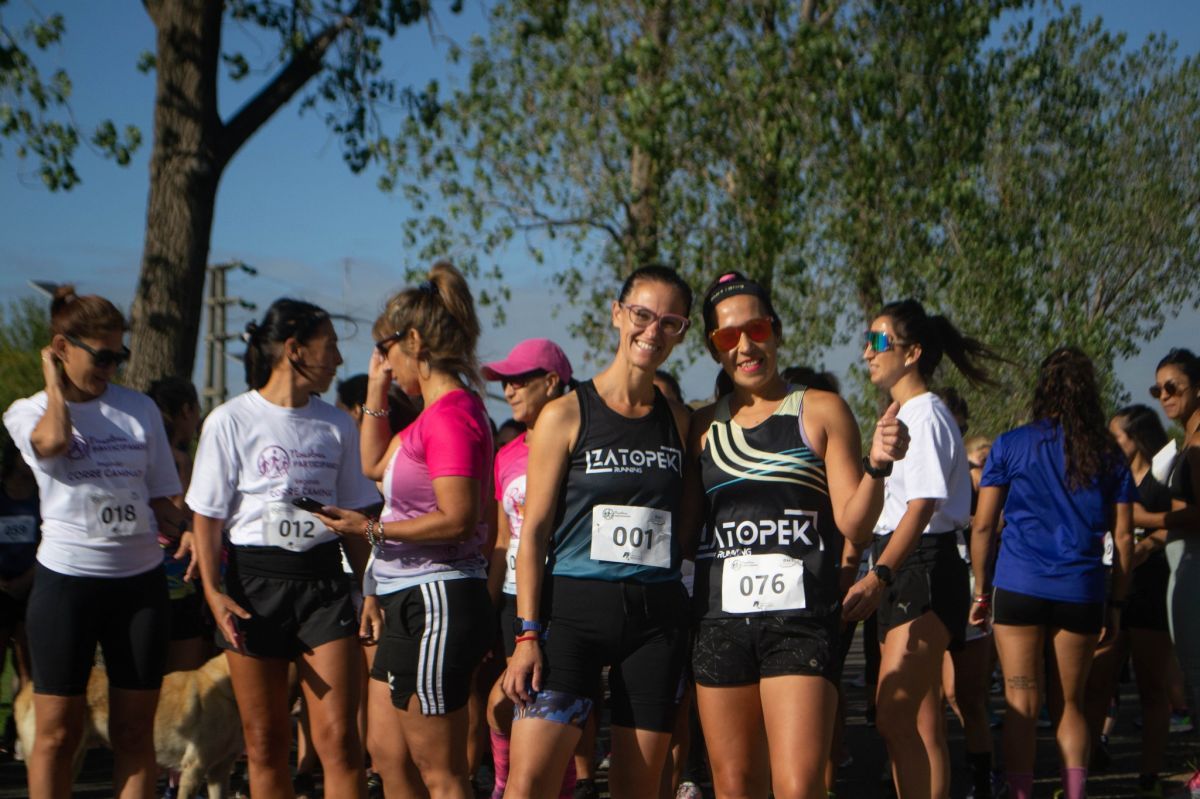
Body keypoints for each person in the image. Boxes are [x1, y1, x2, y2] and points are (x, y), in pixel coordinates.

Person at [687, 272, 908, 799]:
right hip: (720, 624)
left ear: (777, 331)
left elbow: (855, 524)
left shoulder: (822, 409)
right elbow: (684, 529)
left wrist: (878, 466)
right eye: (728, 336)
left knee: (798, 785)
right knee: (734, 787)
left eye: (757, 329)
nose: (745, 346)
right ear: (714, 348)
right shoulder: (701, 426)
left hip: (800, 622)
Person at [501, 265, 694, 799]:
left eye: (670, 322)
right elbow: (533, 533)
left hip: (655, 622)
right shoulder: (564, 414)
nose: (653, 331)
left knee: (638, 790)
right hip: (572, 616)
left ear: (681, 333)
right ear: (617, 314)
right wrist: (526, 634)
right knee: (528, 786)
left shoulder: (680, 422)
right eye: (642, 315)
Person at [314, 262, 495, 799]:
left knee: (440, 772)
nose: (382, 359)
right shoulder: (427, 417)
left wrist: (372, 529)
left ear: (413, 341)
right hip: (405, 596)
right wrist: (377, 385)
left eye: (384, 348)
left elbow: (460, 518)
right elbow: (372, 463)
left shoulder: (453, 414)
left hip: (437, 595)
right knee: (390, 757)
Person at [187, 298, 380, 799]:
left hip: (324, 585)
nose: (338, 359)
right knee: (265, 742)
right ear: (295, 350)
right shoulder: (229, 420)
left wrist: (369, 590)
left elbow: (355, 517)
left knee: (341, 741)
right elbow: (207, 517)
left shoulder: (338, 425)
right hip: (253, 586)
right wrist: (212, 591)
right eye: (329, 346)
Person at [3, 286, 189, 799]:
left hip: (139, 584)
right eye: (102, 356)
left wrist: (196, 529)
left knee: (133, 732)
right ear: (62, 348)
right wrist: (53, 382)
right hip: (67, 582)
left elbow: (163, 500)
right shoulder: (28, 411)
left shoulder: (139, 409)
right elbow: (54, 443)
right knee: (58, 734)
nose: (111, 368)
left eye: (118, 356)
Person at [968, 347, 1134, 799]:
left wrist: (981, 590)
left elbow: (983, 526)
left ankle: (1021, 794)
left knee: (1021, 701)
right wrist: (1117, 603)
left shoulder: (1010, 444)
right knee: (1071, 705)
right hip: (1081, 590)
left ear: (1043, 389)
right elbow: (1123, 538)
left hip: (1018, 585)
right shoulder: (1108, 454)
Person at [851, 298, 1001, 798]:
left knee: (894, 716)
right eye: (867, 341)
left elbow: (922, 508)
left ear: (912, 352)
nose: (867, 352)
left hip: (922, 565)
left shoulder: (927, 415)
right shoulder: (904, 412)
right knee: (917, 719)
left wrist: (878, 576)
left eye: (878, 341)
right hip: (904, 561)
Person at [480, 338, 577, 799]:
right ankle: (507, 782)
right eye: (505, 382)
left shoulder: (580, 445)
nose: (509, 390)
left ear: (552, 382)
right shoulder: (506, 454)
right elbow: (503, 539)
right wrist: (488, 606)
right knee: (510, 705)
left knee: (545, 711)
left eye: (519, 380)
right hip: (514, 599)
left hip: (563, 595)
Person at [1098, 404, 1176, 796]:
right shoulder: (1109, 476)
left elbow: (1181, 524)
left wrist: (1148, 540)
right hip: (1109, 586)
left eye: (1117, 437)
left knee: (1152, 688)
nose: (1110, 444)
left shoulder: (1165, 478)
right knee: (1097, 680)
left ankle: (1149, 776)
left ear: (1138, 438)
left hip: (1150, 588)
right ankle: (1088, 756)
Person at [1146, 348, 1200, 795]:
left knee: (1196, 670)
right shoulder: (1187, 440)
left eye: (1172, 387)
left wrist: (1140, 519)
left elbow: (1197, 516)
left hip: (1195, 567)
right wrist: (1147, 542)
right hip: (1183, 562)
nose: (1163, 395)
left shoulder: (1198, 444)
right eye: (1157, 389)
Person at [146, 376, 206, 674]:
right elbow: (179, 510)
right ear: (186, 410)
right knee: (183, 674)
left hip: (141, 566)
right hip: (176, 568)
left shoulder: (142, 453)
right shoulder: (178, 459)